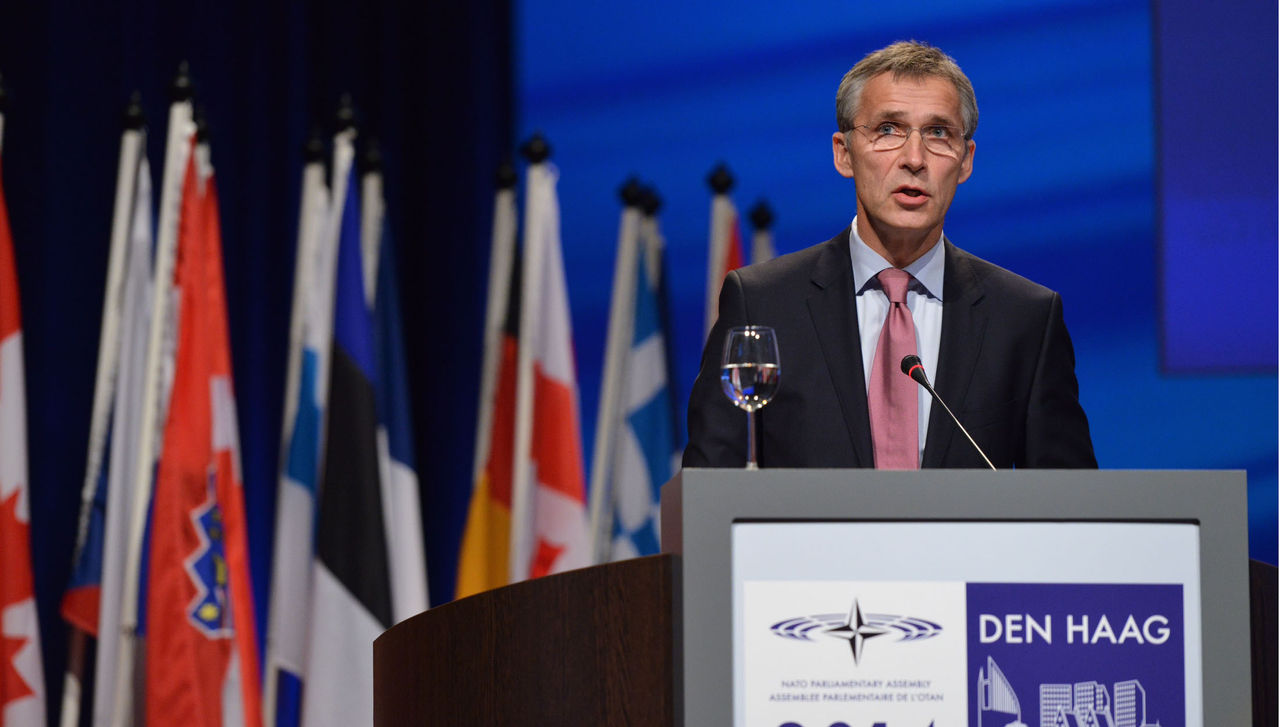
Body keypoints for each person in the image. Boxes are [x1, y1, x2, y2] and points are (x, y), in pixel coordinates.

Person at [684, 41, 1096, 470]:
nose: (914, 159)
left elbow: (1071, 507)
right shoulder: (763, 304)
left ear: (966, 160)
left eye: (938, 133)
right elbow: (709, 489)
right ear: (844, 153)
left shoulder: (1024, 319)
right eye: (888, 129)